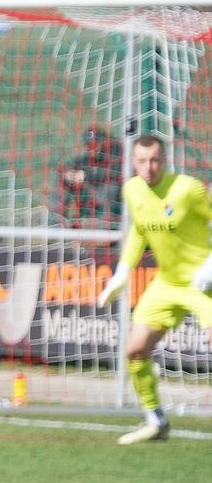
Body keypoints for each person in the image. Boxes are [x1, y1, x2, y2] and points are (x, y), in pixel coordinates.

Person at [97, 133, 212, 445]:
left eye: (155, 160)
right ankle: (154, 420)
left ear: (165, 160)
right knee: (135, 350)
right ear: (133, 162)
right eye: (142, 161)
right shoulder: (132, 190)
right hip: (167, 283)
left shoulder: (187, 189)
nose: (149, 167)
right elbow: (139, 230)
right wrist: (122, 273)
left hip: (203, 284)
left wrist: (209, 266)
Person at [61, 125, 120, 226]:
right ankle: (58, 222)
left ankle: (103, 226)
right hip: (89, 203)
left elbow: (112, 175)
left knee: (112, 187)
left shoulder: (116, 155)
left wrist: (85, 176)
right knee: (64, 181)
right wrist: (69, 174)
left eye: (96, 144)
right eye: (89, 145)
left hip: (110, 207)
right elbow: (70, 167)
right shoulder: (85, 159)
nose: (92, 148)